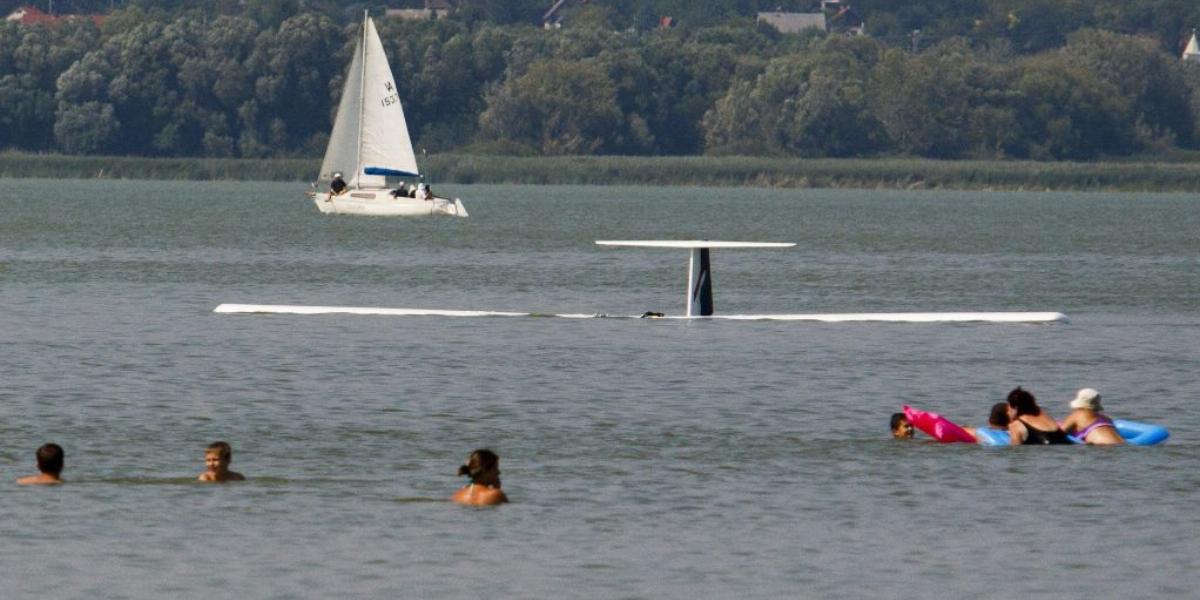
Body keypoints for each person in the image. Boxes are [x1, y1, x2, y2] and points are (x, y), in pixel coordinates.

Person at [1006, 387, 1071, 445]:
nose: (1007, 412)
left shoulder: (1015, 425)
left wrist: (1011, 421)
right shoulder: (1044, 415)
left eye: (1008, 408)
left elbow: (1015, 452)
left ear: (1016, 408)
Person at [1060, 388, 1124, 445]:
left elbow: (1057, 434)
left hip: (1103, 448)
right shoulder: (1107, 419)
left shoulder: (1078, 414)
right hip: (1121, 444)